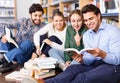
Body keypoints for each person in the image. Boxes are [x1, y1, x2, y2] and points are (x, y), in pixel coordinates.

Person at [38, 4, 120, 83]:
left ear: (98, 16)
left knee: (81, 78)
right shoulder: (87, 34)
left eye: (91, 18)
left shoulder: (113, 31)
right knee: (71, 70)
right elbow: (90, 58)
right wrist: (82, 59)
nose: (88, 23)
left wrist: (103, 54)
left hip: (111, 66)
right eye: (86, 20)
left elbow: (117, 60)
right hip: (94, 64)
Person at [0, 3, 45, 73]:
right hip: (15, 49)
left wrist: (35, 53)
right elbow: (2, 25)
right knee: (5, 35)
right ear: (30, 14)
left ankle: (4, 59)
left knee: (27, 43)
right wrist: (3, 35)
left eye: (40, 16)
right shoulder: (23, 22)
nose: (38, 18)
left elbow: (43, 43)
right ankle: (6, 63)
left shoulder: (43, 27)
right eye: (35, 15)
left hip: (24, 54)